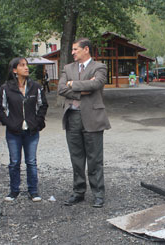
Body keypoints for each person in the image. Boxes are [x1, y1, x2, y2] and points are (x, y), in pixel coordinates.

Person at [58, 38, 111, 208]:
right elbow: (61, 88)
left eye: (75, 49)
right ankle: (78, 192)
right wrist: (82, 91)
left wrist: (73, 85)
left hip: (93, 118)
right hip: (72, 117)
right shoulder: (67, 68)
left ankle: (98, 194)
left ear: (86, 49)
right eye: (72, 49)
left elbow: (96, 83)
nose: (72, 52)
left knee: (95, 158)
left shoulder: (99, 67)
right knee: (76, 158)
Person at [0, 57, 48, 202]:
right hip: (13, 132)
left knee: (31, 161)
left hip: (31, 131)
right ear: (14, 70)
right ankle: (14, 191)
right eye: (22, 65)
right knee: (14, 162)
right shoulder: (6, 88)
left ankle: (33, 191)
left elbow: (43, 105)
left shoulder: (35, 86)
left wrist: (37, 122)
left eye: (26, 65)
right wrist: (9, 123)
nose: (26, 68)